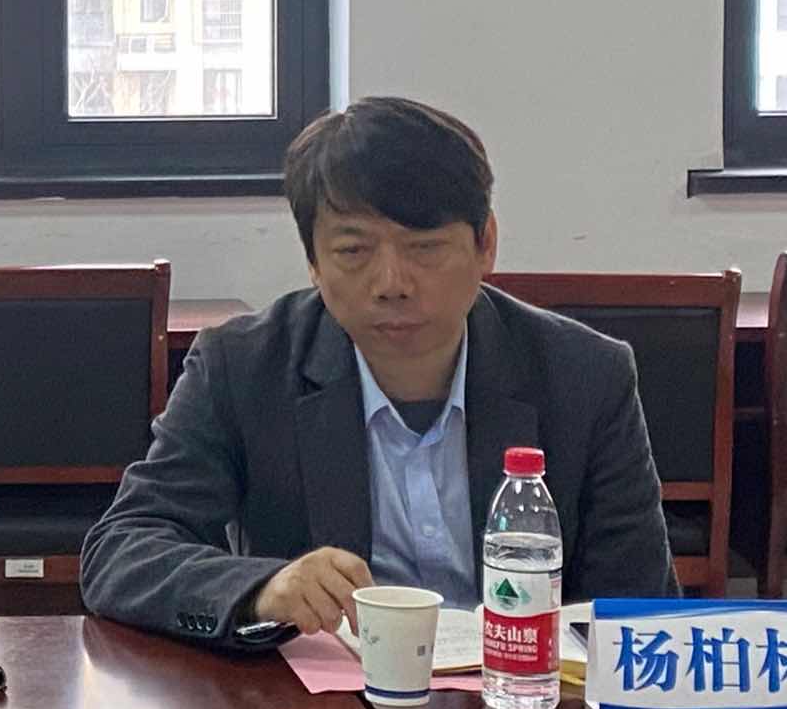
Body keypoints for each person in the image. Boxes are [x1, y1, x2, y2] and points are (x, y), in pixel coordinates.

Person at [79, 95, 676, 646]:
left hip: (519, 694)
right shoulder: (242, 367)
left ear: (486, 244)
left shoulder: (585, 376)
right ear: (313, 262)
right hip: (327, 708)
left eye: (425, 248)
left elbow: (638, 606)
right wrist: (263, 589)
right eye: (353, 251)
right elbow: (121, 550)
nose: (392, 284)